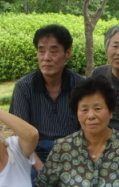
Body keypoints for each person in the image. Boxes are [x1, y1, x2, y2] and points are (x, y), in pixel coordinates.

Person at [9, 24, 85, 168]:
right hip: (35, 154)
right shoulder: (24, 87)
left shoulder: (80, 85)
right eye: (41, 51)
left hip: (73, 153)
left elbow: (88, 132)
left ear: (67, 53)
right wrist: (41, 169)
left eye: (53, 52)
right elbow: (22, 135)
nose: (46, 58)